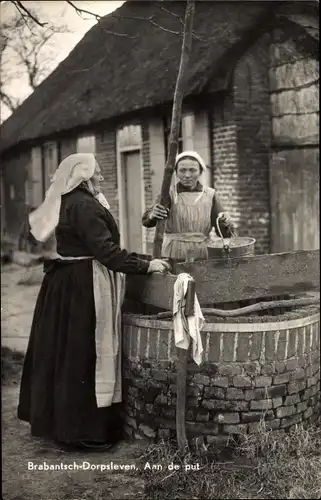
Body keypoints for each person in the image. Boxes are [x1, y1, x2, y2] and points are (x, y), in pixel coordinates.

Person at [17, 153, 170, 451]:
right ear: (84, 178)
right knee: (86, 353)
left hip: (68, 282)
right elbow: (107, 252)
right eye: (97, 174)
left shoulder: (74, 200)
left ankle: (61, 425)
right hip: (82, 286)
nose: (102, 178)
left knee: (68, 353)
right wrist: (146, 265)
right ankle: (81, 432)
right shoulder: (84, 205)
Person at [142, 150, 235, 261]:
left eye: (192, 170)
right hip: (173, 252)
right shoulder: (169, 194)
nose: (187, 175)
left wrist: (225, 222)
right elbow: (147, 221)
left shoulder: (210, 195)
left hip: (202, 253)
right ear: (176, 172)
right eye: (182, 170)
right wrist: (153, 214)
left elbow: (223, 231)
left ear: (200, 172)